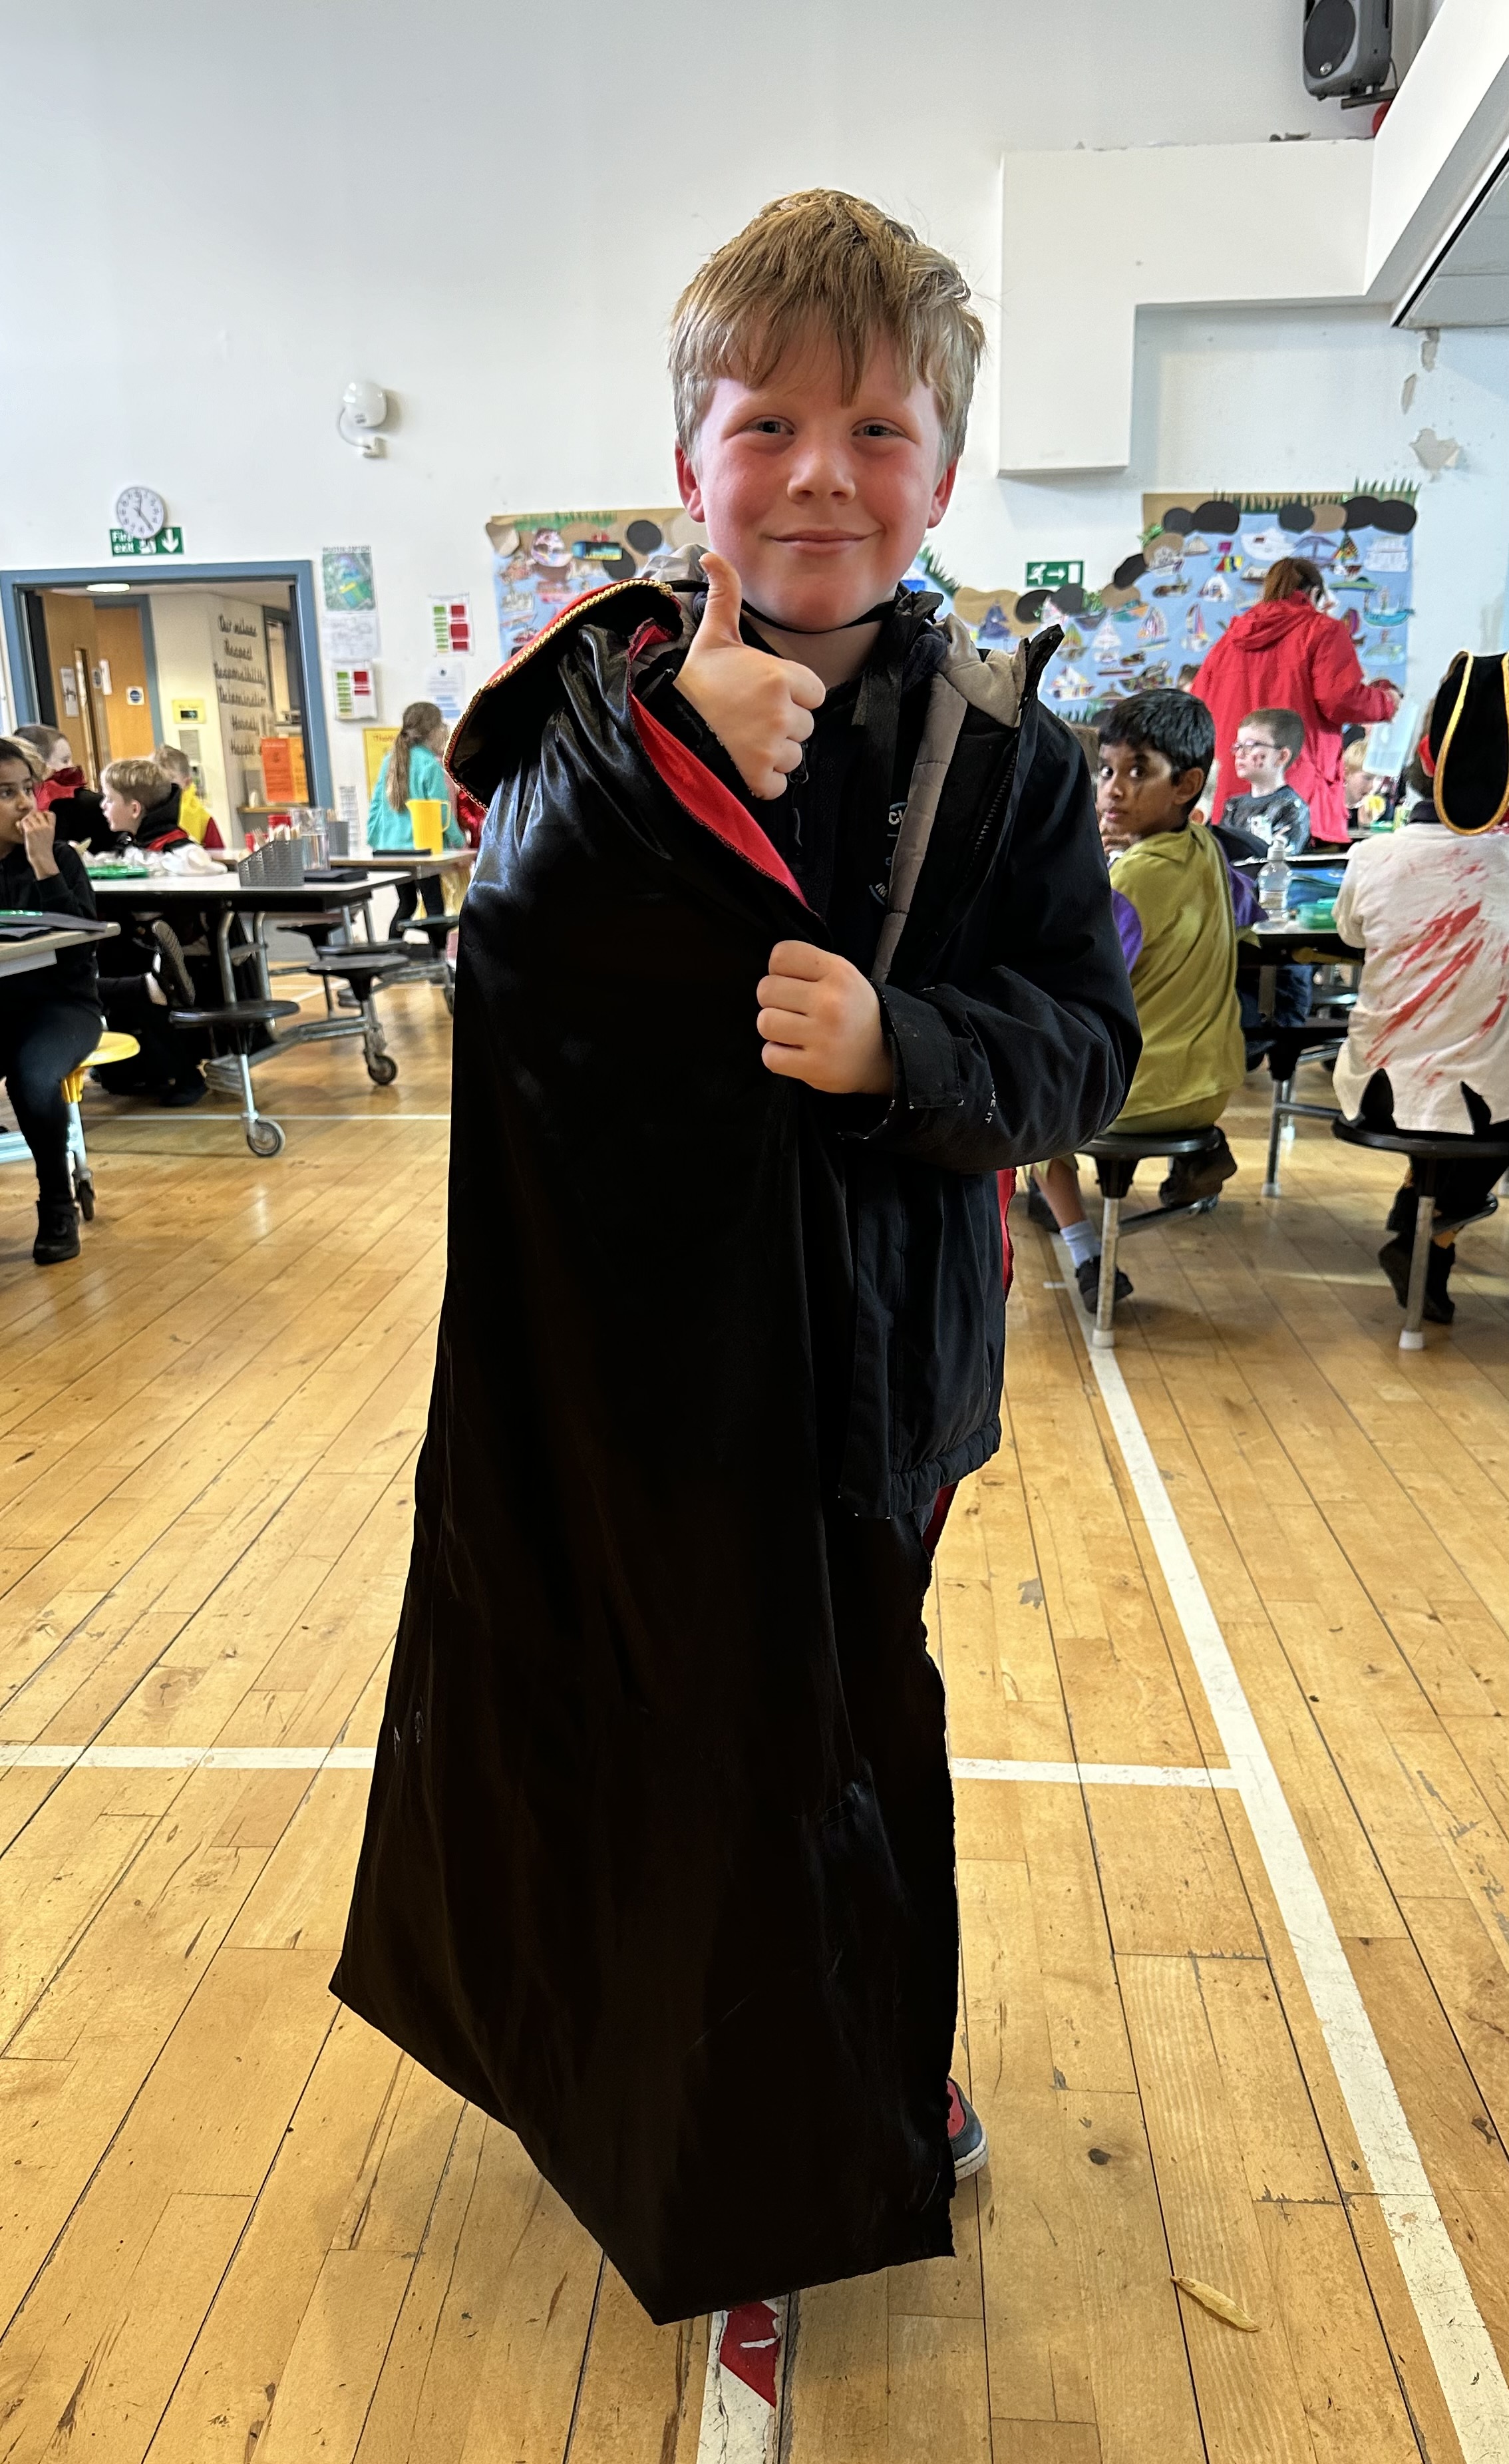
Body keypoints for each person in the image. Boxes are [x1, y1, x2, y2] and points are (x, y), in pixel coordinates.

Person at [332, 188, 1139, 2324]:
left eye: (876, 431)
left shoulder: (1009, 758)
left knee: (848, 1723)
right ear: (686, 462)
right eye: (765, 424)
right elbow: (513, 969)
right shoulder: (586, 716)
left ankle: (863, 2066)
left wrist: (901, 1049)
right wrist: (667, 762)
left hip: (876, 1384)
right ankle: (617, 2044)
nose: (817, 476)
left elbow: (1086, 1050)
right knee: (632, 1697)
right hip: (631, 1368)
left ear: (943, 472)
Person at [1034, 689, 1250, 1306]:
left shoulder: (1129, 880)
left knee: (1026, 1101)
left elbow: (1078, 985)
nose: (1114, 791)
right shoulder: (1209, 850)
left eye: (1138, 772)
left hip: (1141, 1096)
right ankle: (1195, 1159)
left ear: (1187, 785)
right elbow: (1246, 910)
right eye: (1106, 772)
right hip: (1212, 1086)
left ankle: (1086, 1254)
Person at [1333, 653, 1509, 1325]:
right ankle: (1427, 1235)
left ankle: (1422, 1218)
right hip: (1478, 1106)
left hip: (1377, 1092)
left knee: (1452, 1078)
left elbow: (1350, 934)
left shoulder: (1372, 856)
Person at [1192, 556, 1401, 844]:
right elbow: (1340, 699)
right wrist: (1387, 702)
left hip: (1232, 802)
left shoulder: (1226, 644)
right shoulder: (1323, 630)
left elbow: (1198, 709)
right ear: (1314, 594)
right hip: (1301, 795)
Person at [0, 735, 105, 1262]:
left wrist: (44, 866)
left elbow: (81, 948)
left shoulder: (60, 857)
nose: (25, 804)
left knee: (35, 1078)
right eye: (6, 793)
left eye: (28, 789)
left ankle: (57, 1203)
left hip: (61, 1007)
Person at [93, 760, 205, 1106]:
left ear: (134, 809)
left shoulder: (179, 850)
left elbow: (201, 869)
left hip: (181, 951)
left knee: (135, 980)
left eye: (109, 799)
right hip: (141, 945)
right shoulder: (131, 845)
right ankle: (140, 1067)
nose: (102, 806)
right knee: (110, 962)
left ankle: (187, 1075)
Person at [367, 701, 465, 851]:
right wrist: (460, 843)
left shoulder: (389, 760)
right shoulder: (430, 765)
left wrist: (373, 841)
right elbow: (442, 811)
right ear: (434, 732)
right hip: (424, 851)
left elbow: (376, 805)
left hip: (387, 849)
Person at [1223, 707, 1311, 854]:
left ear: (1282, 756)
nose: (1240, 754)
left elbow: (1283, 859)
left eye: (1251, 746)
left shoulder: (1291, 808)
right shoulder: (1233, 806)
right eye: (1238, 746)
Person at [152, 744, 224, 849]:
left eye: (170, 780)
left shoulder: (203, 819)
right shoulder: (144, 812)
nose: (162, 786)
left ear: (187, 782)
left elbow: (219, 855)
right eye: (156, 780)